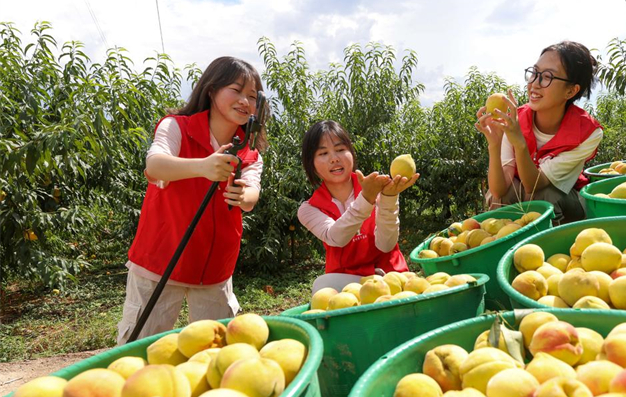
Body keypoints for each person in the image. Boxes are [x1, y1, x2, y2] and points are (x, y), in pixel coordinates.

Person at [116, 56, 267, 345]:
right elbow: (155, 165)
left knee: (215, 353)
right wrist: (202, 166)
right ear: (211, 90)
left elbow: (251, 194)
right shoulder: (176, 127)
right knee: (141, 351)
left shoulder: (248, 151)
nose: (245, 101)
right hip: (161, 260)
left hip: (214, 269)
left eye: (251, 96)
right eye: (236, 90)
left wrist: (245, 195)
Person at [476, 41, 603, 224]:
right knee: (502, 196)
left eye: (547, 77)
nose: (535, 84)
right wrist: (494, 144)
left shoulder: (588, 132)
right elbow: (498, 190)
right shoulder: (516, 119)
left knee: (544, 194)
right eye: (534, 73)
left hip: (566, 203)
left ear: (570, 91)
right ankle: (503, 243)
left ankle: (554, 246)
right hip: (526, 196)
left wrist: (519, 144)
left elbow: (535, 185)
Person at [297, 120, 419, 295]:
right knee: (321, 286)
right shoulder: (309, 209)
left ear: (351, 154)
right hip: (350, 285)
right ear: (312, 166)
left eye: (340, 150)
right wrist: (366, 199)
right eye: (323, 153)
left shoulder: (376, 186)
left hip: (390, 278)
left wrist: (389, 198)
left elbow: (386, 245)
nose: (334, 158)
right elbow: (336, 237)